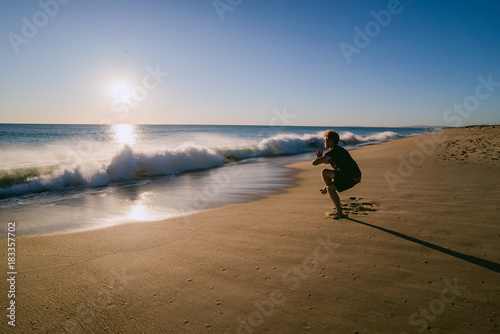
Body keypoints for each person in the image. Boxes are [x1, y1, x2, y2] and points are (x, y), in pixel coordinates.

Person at [312, 130, 362, 219]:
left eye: (325, 140)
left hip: (351, 177)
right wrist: (321, 158)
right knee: (330, 188)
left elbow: (314, 163)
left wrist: (319, 158)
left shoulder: (334, 151)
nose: (324, 142)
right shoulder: (337, 151)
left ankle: (328, 191)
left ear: (331, 141)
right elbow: (327, 161)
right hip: (353, 176)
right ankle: (339, 212)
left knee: (324, 172)